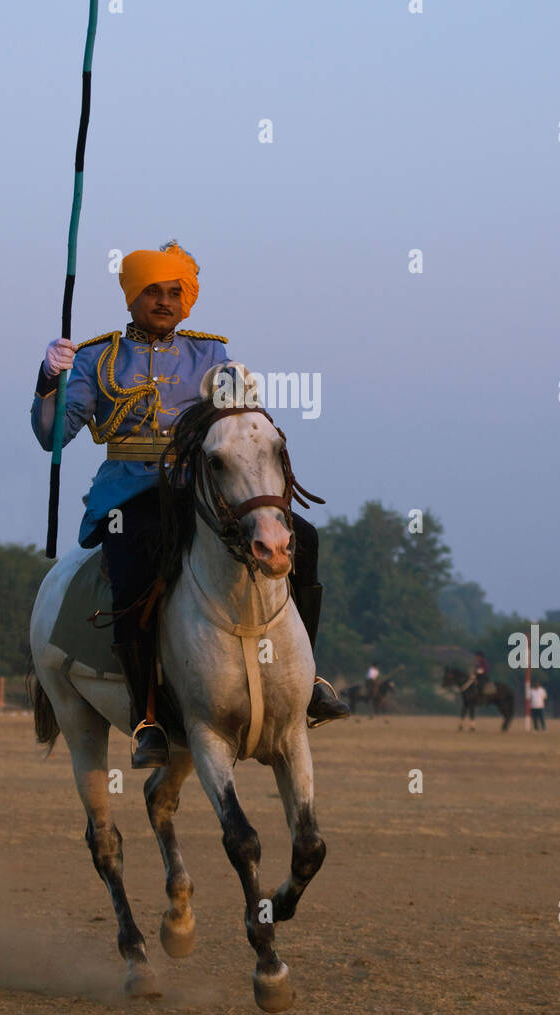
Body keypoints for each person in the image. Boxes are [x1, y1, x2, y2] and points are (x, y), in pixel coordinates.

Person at [31, 240, 349, 769]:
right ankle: (145, 717)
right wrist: (49, 380)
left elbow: (236, 426)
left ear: (186, 300)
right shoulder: (96, 357)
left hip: (199, 489)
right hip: (129, 491)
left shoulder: (212, 354)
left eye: (174, 292)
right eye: (152, 292)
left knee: (303, 540)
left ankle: (308, 682)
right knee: (133, 566)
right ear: (132, 297)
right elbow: (51, 436)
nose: (164, 301)